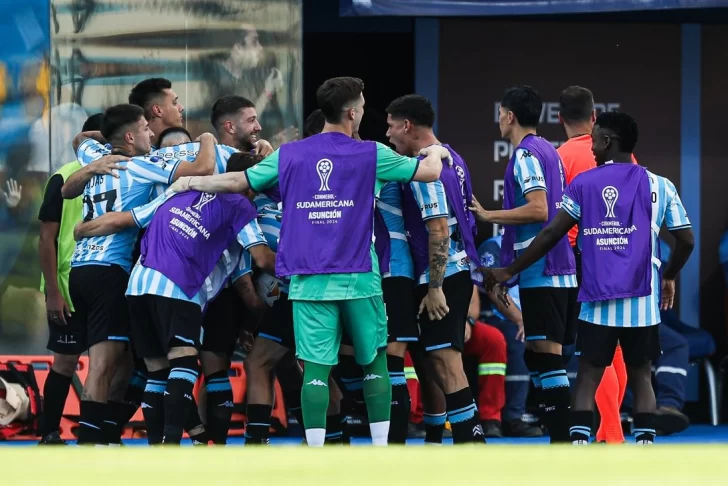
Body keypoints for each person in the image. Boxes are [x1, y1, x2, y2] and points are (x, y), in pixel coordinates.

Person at [168, 76, 450, 447]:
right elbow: (429, 171)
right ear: (352, 112)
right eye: (363, 106)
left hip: (307, 280)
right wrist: (437, 151)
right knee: (374, 364)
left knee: (316, 371)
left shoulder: (291, 154)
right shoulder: (371, 153)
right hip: (359, 278)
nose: (364, 111)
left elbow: (239, 181)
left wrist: (190, 185)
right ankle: (384, 456)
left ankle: (316, 456)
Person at [484, 111, 695, 445]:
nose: (591, 146)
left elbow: (552, 231)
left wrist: (510, 269)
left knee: (586, 378)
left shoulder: (583, 184)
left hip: (596, 298)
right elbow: (687, 240)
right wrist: (668, 276)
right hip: (642, 301)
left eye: (595, 139)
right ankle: (645, 449)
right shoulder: (661, 185)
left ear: (608, 141)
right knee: (642, 377)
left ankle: (579, 451)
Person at [73, 154, 275, 445]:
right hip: (176, 285)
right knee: (184, 363)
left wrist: (82, 229)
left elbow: (130, 218)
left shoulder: (182, 189)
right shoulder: (241, 205)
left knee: (157, 371)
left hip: (139, 283)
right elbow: (262, 258)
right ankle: (171, 445)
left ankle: (161, 450)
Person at [60, 104, 217, 445]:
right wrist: (206, 136)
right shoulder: (142, 166)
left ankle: (105, 437)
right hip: (110, 271)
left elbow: (79, 138)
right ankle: (90, 446)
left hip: (80, 270)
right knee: (102, 366)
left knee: (122, 362)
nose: (152, 134)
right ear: (130, 137)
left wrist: (103, 149)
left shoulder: (97, 154)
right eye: (145, 128)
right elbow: (204, 166)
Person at [470, 85, 577, 443]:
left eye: (501, 113)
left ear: (510, 116)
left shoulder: (527, 155)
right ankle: (558, 431)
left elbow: (539, 209)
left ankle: (563, 441)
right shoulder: (549, 149)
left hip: (543, 270)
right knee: (537, 353)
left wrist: (488, 213)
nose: (498, 119)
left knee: (547, 356)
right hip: (550, 268)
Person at [386, 94, 485, 444]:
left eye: (391, 124)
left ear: (407, 126)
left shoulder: (426, 169)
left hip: (443, 277)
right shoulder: (452, 158)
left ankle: (472, 443)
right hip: (456, 272)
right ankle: (465, 440)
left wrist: (434, 286)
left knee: (446, 364)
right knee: (439, 364)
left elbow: (440, 228)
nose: (387, 133)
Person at [558, 86, 628, 443]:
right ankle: (606, 433)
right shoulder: (620, 152)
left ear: (559, 118)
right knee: (614, 346)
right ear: (595, 115)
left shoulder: (561, 157)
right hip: (623, 256)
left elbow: (562, 220)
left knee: (596, 349)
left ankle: (612, 434)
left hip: (586, 260)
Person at [36, 114, 100, 445]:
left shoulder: (128, 172)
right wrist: (53, 293)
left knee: (113, 360)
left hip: (107, 282)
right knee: (65, 361)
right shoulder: (64, 176)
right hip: (67, 286)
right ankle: (48, 433)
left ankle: (100, 434)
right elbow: (46, 238)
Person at [477, 234, 545, 438]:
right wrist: (521, 319)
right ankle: (514, 417)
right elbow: (494, 289)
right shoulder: (493, 245)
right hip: (506, 317)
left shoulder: (543, 241)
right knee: (518, 338)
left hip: (540, 316)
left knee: (565, 345)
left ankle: (561, 415)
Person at [128, 78, 184, 146]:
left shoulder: (185, 146)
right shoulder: (134, 154)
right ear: (158, 110)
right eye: (174, 103)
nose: (181, 108)